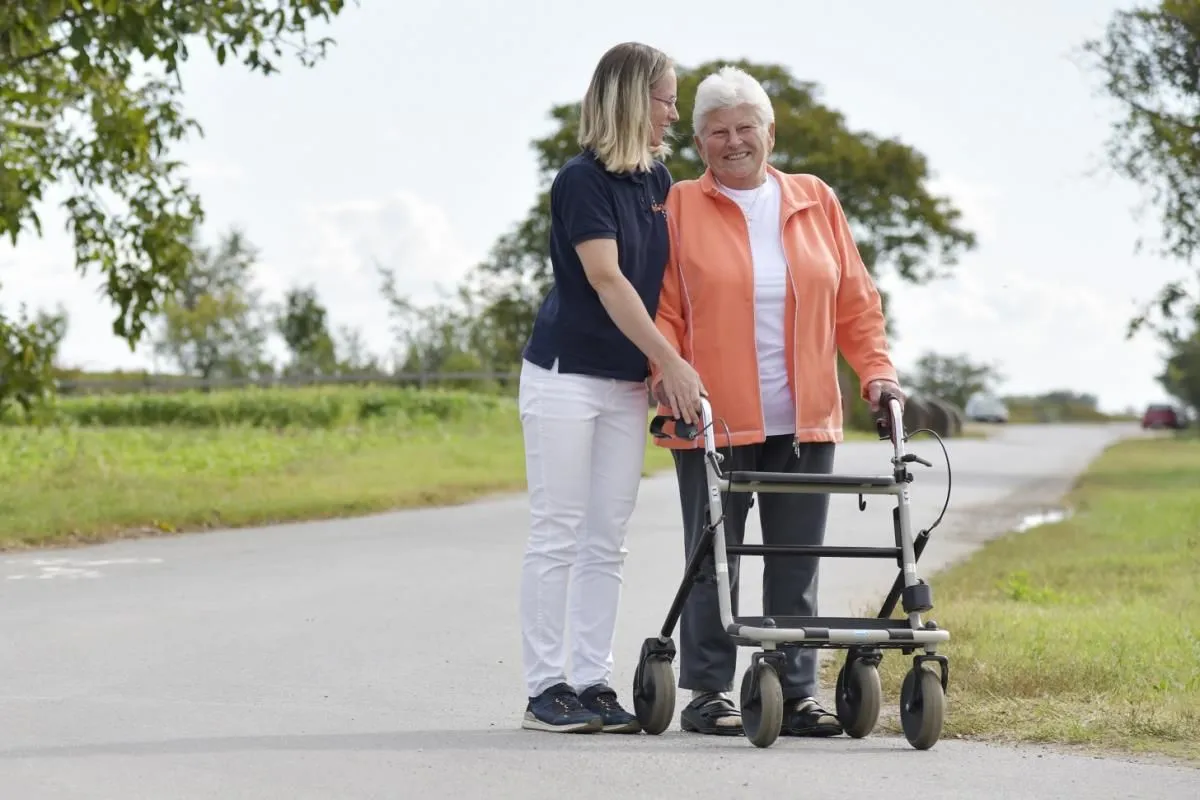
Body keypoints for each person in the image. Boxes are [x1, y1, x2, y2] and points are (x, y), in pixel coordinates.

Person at [648, 66, 906, 738]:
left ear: (769, 131)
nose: (734, 141)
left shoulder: (814, 200)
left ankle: (793, 693)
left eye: (745, 128)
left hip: (805, 420)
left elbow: (855, 303)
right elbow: (665, 308)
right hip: (711, 419)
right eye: (717, 132)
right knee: (714, 558)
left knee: (796, 559)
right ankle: (708, 690)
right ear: (700, 143)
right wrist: (667, 372)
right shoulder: (677, 206)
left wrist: (876, 372)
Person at [517, 42, 706, 735]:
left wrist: (659, 366)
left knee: (607, 538)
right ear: (632, 99)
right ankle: (545, 690)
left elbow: (666, 285)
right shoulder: (580, 180)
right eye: (666, 99)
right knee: (558, 531)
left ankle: (591, 682)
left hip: (626, 382)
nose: (674, 113)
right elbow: (608, 278)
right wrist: (671, 361)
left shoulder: (659, 184)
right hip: (565, 378)